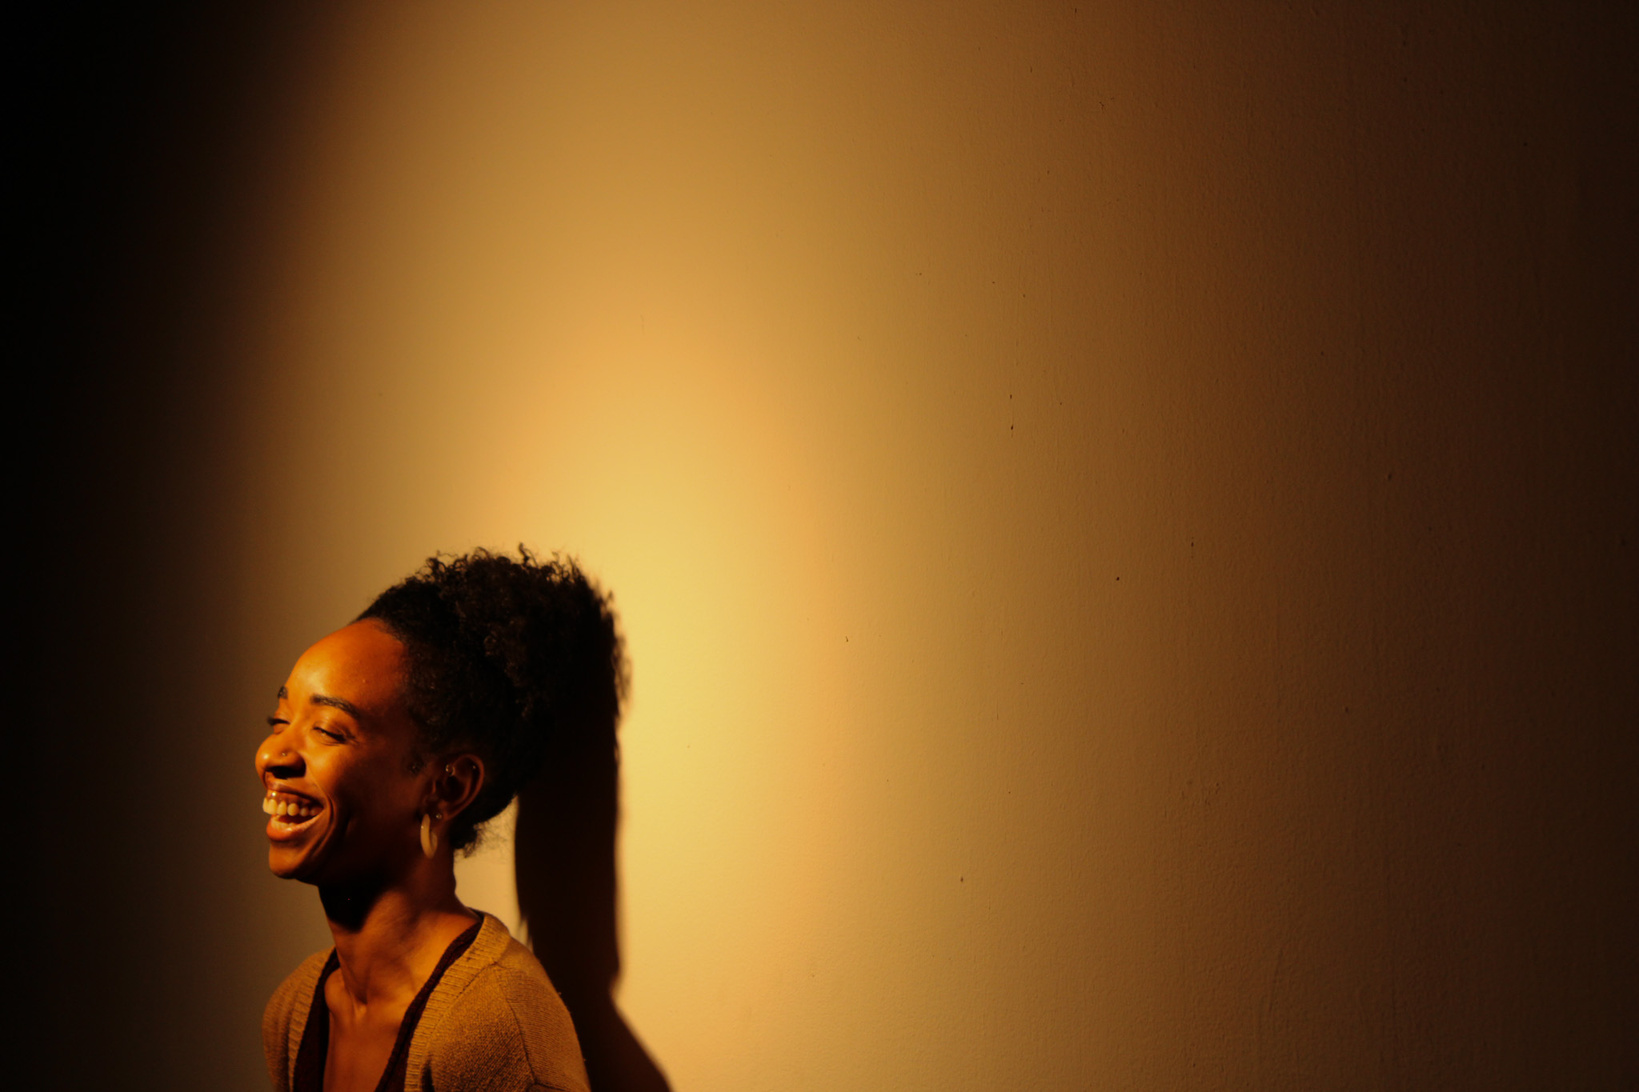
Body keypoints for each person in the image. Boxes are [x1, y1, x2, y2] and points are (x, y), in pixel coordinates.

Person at [256, 548, 624, 1092]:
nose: (271, 755)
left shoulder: (492, 1028)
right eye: (280, 720)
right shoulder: (295, 1010)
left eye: (328, 730)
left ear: (447, 788)